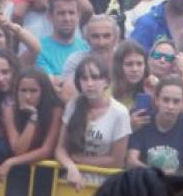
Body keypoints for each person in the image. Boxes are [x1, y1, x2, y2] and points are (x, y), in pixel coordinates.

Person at [54, 54, 130, 189]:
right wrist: (71, 166)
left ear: (106, 81)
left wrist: (79, 160)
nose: (89, 84)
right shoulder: (73, 105)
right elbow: (60, 148)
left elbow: (117, 161)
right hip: (71, 180)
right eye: (84, 78)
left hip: (104, 185)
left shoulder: (120, 112)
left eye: (95, 78)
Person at [128, 74, 183, 175]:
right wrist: (158, 176)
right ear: (156, 100)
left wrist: (177, 180)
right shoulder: (142, 119)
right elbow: (131, 161)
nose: (170, 106)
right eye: (166, 100)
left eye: (176, 101)